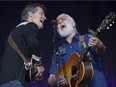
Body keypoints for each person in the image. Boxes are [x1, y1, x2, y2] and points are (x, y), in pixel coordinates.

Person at [48, 13, 106, 87]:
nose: (60, 22)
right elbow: (50, 78)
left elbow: (101, 51)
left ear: (73, 24)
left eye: (63, 19)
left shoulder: (87, 38)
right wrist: (57, 80)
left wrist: (100, 45)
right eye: (58, 23)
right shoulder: (59, 50)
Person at [0, 2, 46, 87]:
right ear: (30, 14)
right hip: (15, 82)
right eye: (41, 14)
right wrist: (39, 64)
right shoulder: (31, 25)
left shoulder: (16, 31)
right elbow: (33, 42)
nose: (45, 17)